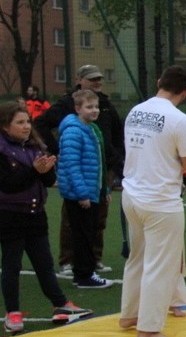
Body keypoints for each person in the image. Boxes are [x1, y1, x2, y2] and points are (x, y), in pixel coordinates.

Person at [119, 66, 186, 337]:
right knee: (161, 265)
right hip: (160, 200)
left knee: (137, 257)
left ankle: (129, 315)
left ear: (159, 82)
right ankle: (148, 329)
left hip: (132, 194)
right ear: (185, 92)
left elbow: (151, 149)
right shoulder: (179, 119)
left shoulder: (135, 111)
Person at [0, 102, 92, 333]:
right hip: (10, 215)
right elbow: (8, 185)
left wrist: (46, 170)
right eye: (19, 123)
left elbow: (48, 180)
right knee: (12, 265)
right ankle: (12, 312)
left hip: (35, 214)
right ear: (4, 126)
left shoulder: (34, 145)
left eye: (28, 122)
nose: (26, 127)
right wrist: (34, 170)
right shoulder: (2, 150)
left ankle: (60, 304)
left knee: (44, 262)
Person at [34, 64, 124, 276]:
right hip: (82, 168)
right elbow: (40, 124)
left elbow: (117, 132)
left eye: (99, 79)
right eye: (92, 79)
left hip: (102, 167)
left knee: (98, 215)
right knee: (74, 217)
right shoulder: (67, 105)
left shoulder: (106, 105)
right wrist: (57, 150)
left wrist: (116, 156)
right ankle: (69, 260)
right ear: (81, 80)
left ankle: (93, 258)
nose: (97, 82)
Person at [56, 89, 114, 289]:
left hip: (91, 190)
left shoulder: (90, 129)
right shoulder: (74, 131)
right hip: (80, 194)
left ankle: (85, 272)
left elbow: (97, 163)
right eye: (89, 107)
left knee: (88, 232)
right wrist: (82, 193)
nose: (94, 111)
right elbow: (72, 165)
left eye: (96, 106)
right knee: (82, 234)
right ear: (78, 108)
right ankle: (83, 275)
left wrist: (103, 190)